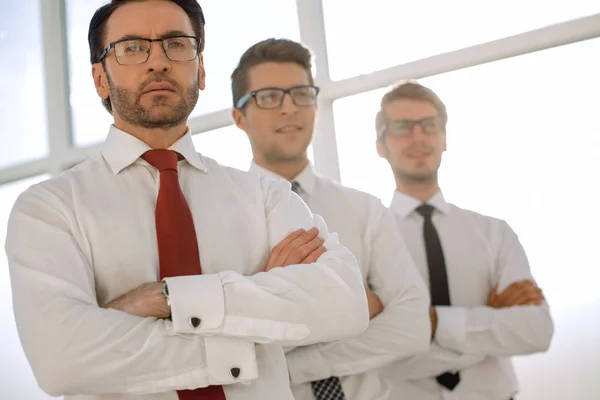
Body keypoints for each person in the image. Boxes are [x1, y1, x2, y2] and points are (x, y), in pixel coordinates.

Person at [4, 2, 370, 400]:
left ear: (201, 69)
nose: (158, 61)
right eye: (131, 47)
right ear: (100, 80)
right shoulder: (48, 208)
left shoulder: (265, 194)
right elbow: (63, 361)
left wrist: (162, 299)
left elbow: (343, 301)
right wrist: (253, 332)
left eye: (176, 44)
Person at [231, 38, 431, 400]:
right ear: (238, 117)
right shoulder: (219, 217)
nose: (289, 108)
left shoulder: (365, 209)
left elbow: (413, 327)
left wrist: (290, 361)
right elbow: (226, 340)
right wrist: (348, 310)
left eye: (301, 94)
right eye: (269, 97)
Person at [374, 80, 554, 400]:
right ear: (380, 145)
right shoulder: (367, 240)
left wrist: (431, 322)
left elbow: (536, 331)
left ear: (444, 139)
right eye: (403, 127)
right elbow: (379, 360)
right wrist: (485, 320)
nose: (418, 136)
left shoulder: (494, 232)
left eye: (429, 125)